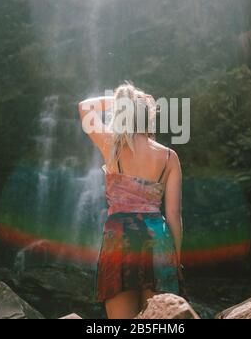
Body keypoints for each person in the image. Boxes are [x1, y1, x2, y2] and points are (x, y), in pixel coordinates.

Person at [79, 81, 184, 319]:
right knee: (157, 322)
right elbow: (174, 215)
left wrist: (118, 100)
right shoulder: (169, 157)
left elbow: (84, 108)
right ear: (148, 117)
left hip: (120, 240)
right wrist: (175, 261)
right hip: (157, 240)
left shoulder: (111, 146)